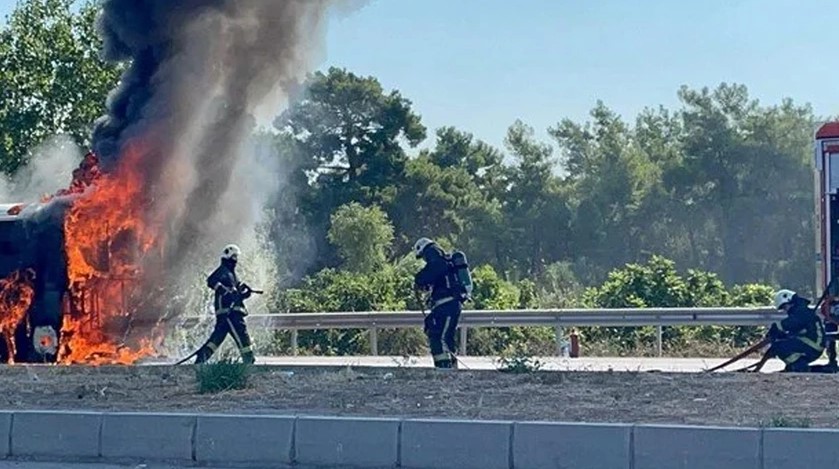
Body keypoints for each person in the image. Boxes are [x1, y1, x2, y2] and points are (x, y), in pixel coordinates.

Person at [194, 244, 256, 364]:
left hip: (231, 312)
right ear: (228, 256)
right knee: (241, 334)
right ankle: (249, 360)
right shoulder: (223, 270)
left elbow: (235, 294)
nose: (236, 260)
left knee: (217, 339)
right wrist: (223, 290)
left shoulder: (232, 274)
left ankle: (200, 360)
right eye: (234, 257)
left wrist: (244, 294)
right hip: (229, 313)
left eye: (236, 257)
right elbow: (211, 281)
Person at [413, 237, 468, 369]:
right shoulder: (445, 264)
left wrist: (419, 279)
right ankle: (450, 369)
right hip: (446, 306)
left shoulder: (437, 260)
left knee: (440, 337)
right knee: (444, 337)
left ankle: (444, 369)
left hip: (447, 306)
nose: (425, 260)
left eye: (423, 257)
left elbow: (429, 273)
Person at [766, 289, 825, 372]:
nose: (785, 310)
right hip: (811, 342)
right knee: (783, 344)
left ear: (790, 301)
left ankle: (799, 366)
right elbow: (797, 329)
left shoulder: (801, 311)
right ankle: (796, 365)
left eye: (784, 307)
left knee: (780, 347)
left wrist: (776, 328)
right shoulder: (800, 310)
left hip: (813, 344)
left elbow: (790, 323)